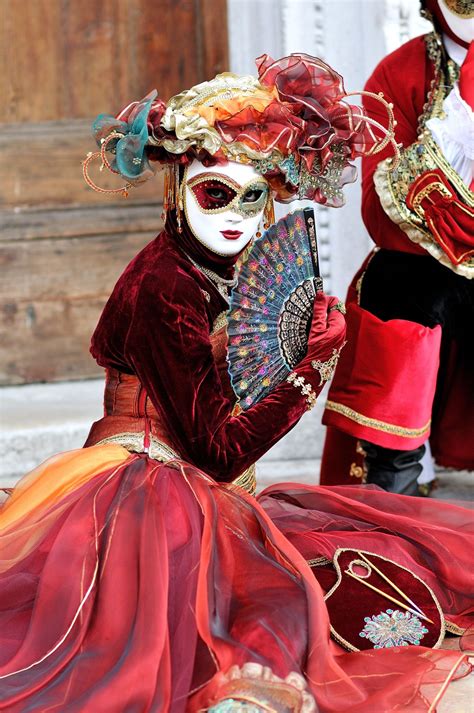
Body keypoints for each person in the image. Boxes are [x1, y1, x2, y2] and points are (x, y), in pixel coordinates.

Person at [0, 53, 472, 712]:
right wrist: (306, 375)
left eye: (254, 198)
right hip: (144, 488)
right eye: (214, 193)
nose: (236, 218)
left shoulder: (207, 264)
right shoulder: (163, 284)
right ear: (175, 188)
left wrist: (294, 354)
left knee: (329, 577)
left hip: (201, 487)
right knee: (249, 610)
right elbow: (215, 449)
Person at [320, 0, 474, 495]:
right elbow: (379, 208)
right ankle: (395, 478)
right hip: (420, 256)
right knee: (393, 291)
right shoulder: (399, 72)